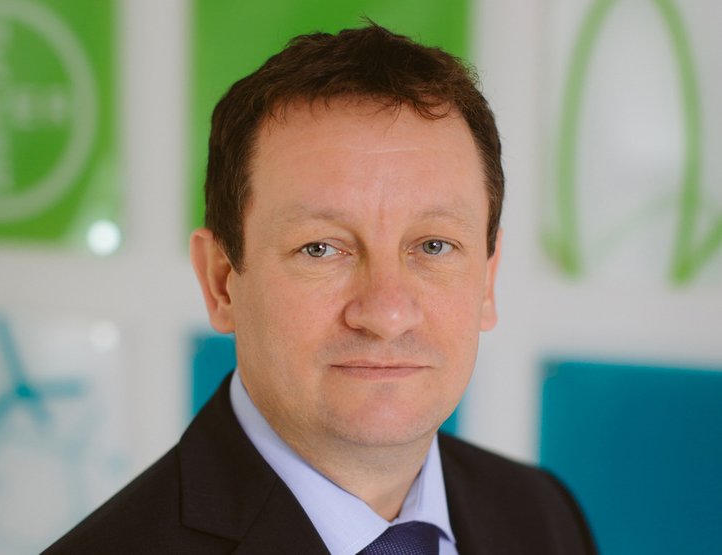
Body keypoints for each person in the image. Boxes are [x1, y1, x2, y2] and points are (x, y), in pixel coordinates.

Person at [45, 23, 596, 554]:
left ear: (487, 282)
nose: (386, 313)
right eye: (320, 249)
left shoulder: (543, 516)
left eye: (433, 246)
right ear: (220, 283)